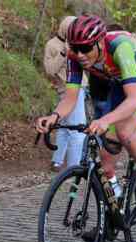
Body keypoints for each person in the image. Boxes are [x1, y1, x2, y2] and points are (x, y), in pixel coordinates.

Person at [36, 15, 136, 222]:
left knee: (125, 131)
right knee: (106, 166)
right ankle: (113, 220)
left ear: (99, 42)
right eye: (75, 48)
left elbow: (134, 100)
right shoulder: (75, 55)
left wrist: (106, 121)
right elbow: (70, 99)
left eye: (85, 48)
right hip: (121, 83)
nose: (80, 54)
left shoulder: (120, 46)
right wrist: (54, 117)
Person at [43, 16, 86, 171]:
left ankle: (57, 161)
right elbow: (50, 71)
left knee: (65, 128)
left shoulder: (77, 44)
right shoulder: (52, 45)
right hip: (66, 90)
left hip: (79, 88)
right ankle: (74, 167)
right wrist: (63, 53)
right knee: (78, 130)